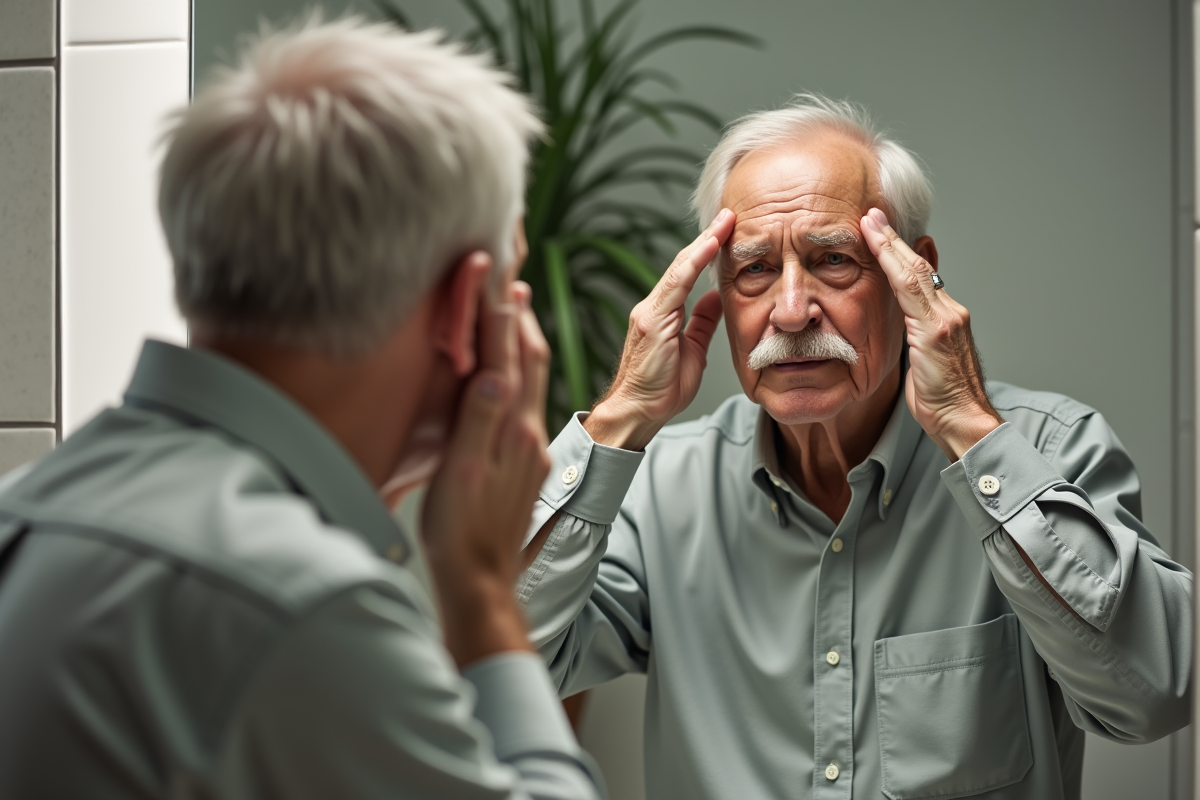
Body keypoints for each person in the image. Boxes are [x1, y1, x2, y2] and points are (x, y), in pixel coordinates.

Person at [520, 94, 1192, 800]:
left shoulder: (1050, 450)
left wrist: (966, 423)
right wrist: (623, 414)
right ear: (718, 292)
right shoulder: (663, 486)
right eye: (753, 270)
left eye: (833, 260)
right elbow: (509, 661)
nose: (789, 311)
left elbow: (1151, 696)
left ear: (916, 273)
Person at [0, 17, 603, 800]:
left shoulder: (28, 508)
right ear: (463, 309)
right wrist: (482, 591)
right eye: (511, 284)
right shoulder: (299, 608)